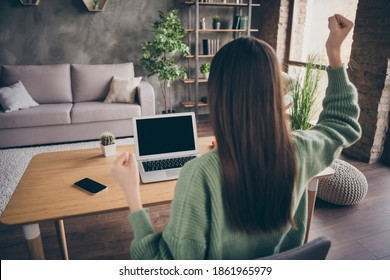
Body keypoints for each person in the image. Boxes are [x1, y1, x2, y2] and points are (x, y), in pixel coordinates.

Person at [110, 14, 361, 259]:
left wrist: (132, 193)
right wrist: (334, 53)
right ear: (274, 92)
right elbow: (341, 124)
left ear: (219, 97)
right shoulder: (301, 150)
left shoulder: (199, 174)